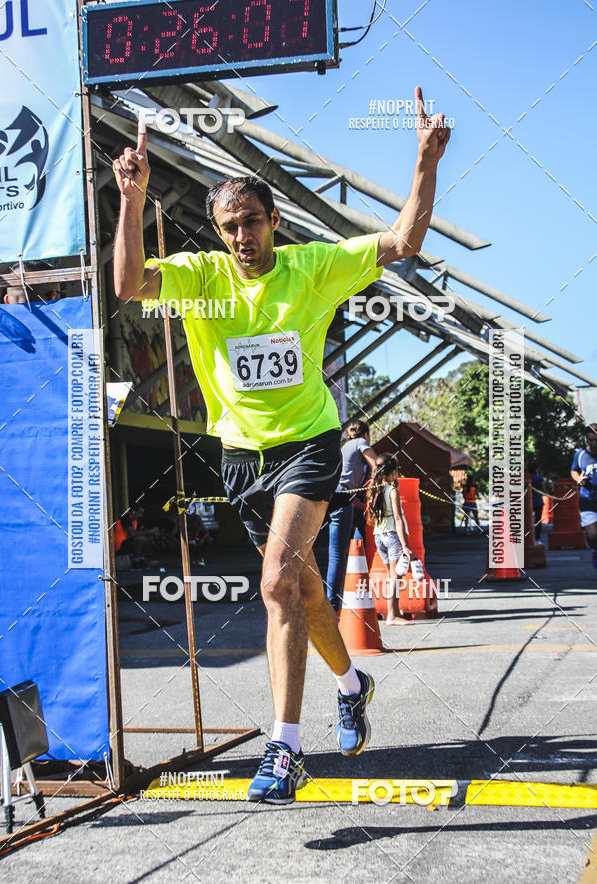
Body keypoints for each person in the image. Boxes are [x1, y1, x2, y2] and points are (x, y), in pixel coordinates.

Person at [112, 86, 450, 804]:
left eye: (254, 223)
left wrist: (424, 160)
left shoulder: (313, 268)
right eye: (230, 226)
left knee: (274, 585)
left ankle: (286, 748)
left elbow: (402, 243)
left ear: (274, 222)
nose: (243, 239)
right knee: (304, 591)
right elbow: (128, 284)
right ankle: (352, 683)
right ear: (218, 230)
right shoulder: (200, 280)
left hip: (310, 443)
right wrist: (133, 198)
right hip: (242, 455)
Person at [325, 418, 377, 612]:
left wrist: (364, 507)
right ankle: (333, 605)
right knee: (338, 555)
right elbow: (377, 466)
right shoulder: (360, 443)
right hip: (342, 498)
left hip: (334, 497)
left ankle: (340, 597)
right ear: (365, 434)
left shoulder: (344, 446)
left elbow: (350, 494)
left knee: (339, 550)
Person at [367, 455, 415, 625]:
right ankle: (392, 615)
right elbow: (398, 518)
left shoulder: (375, 489)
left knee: (391, 575)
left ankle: (394, 610)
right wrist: (406, 545)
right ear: (393, 472)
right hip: (393, 536)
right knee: (395, 576)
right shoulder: (392, 491)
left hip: (379, 535)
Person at [570, 423, 597, 570]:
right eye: (590, 440)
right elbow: (574, 470)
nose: (593, 444)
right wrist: (578, 479)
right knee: (593, 535)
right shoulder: (580, 454)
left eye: (596, 440)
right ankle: (594, 550)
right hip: (588, 500)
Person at [529, 464, 546, 540]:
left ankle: (529, 536)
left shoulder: (527, 478)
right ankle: (537, 537)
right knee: (538, 519)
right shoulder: (539, 478)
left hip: (529, 501)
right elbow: (543, 489)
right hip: (538, 500)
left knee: (527, 519)